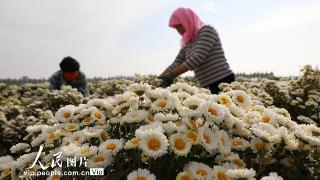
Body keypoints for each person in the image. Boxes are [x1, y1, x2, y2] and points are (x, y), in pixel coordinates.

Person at [159, 7, 235, 94]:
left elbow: (197, 58)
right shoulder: (187, 41)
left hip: (223, 81)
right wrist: (159, 79)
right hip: (206, 84)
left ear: (187, 21)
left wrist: (171, 75)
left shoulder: (207, 30)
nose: (178, 30)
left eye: (179, 26)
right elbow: (177, 62)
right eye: (176, 28)